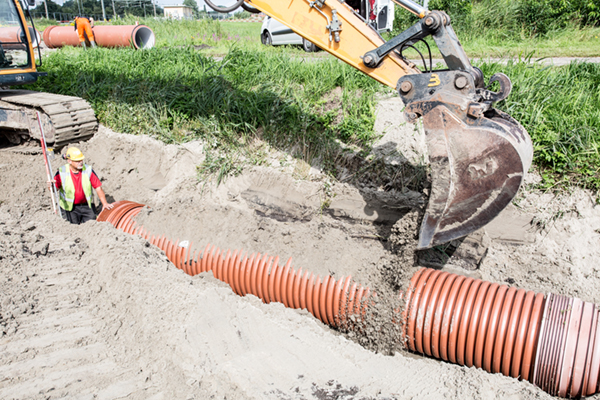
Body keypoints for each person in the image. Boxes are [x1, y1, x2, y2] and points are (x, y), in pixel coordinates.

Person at [49, 147, 113, 224]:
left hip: (86, 206)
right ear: (69, 161)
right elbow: (54, 190)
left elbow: (98, 187)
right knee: (74, 228)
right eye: (77, 161)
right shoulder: (62, 172)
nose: (80, 162)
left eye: (81, 160)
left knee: (93, 225)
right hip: (69, 208)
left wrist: (104, 203)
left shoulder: (88, 170)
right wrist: (51, 186)